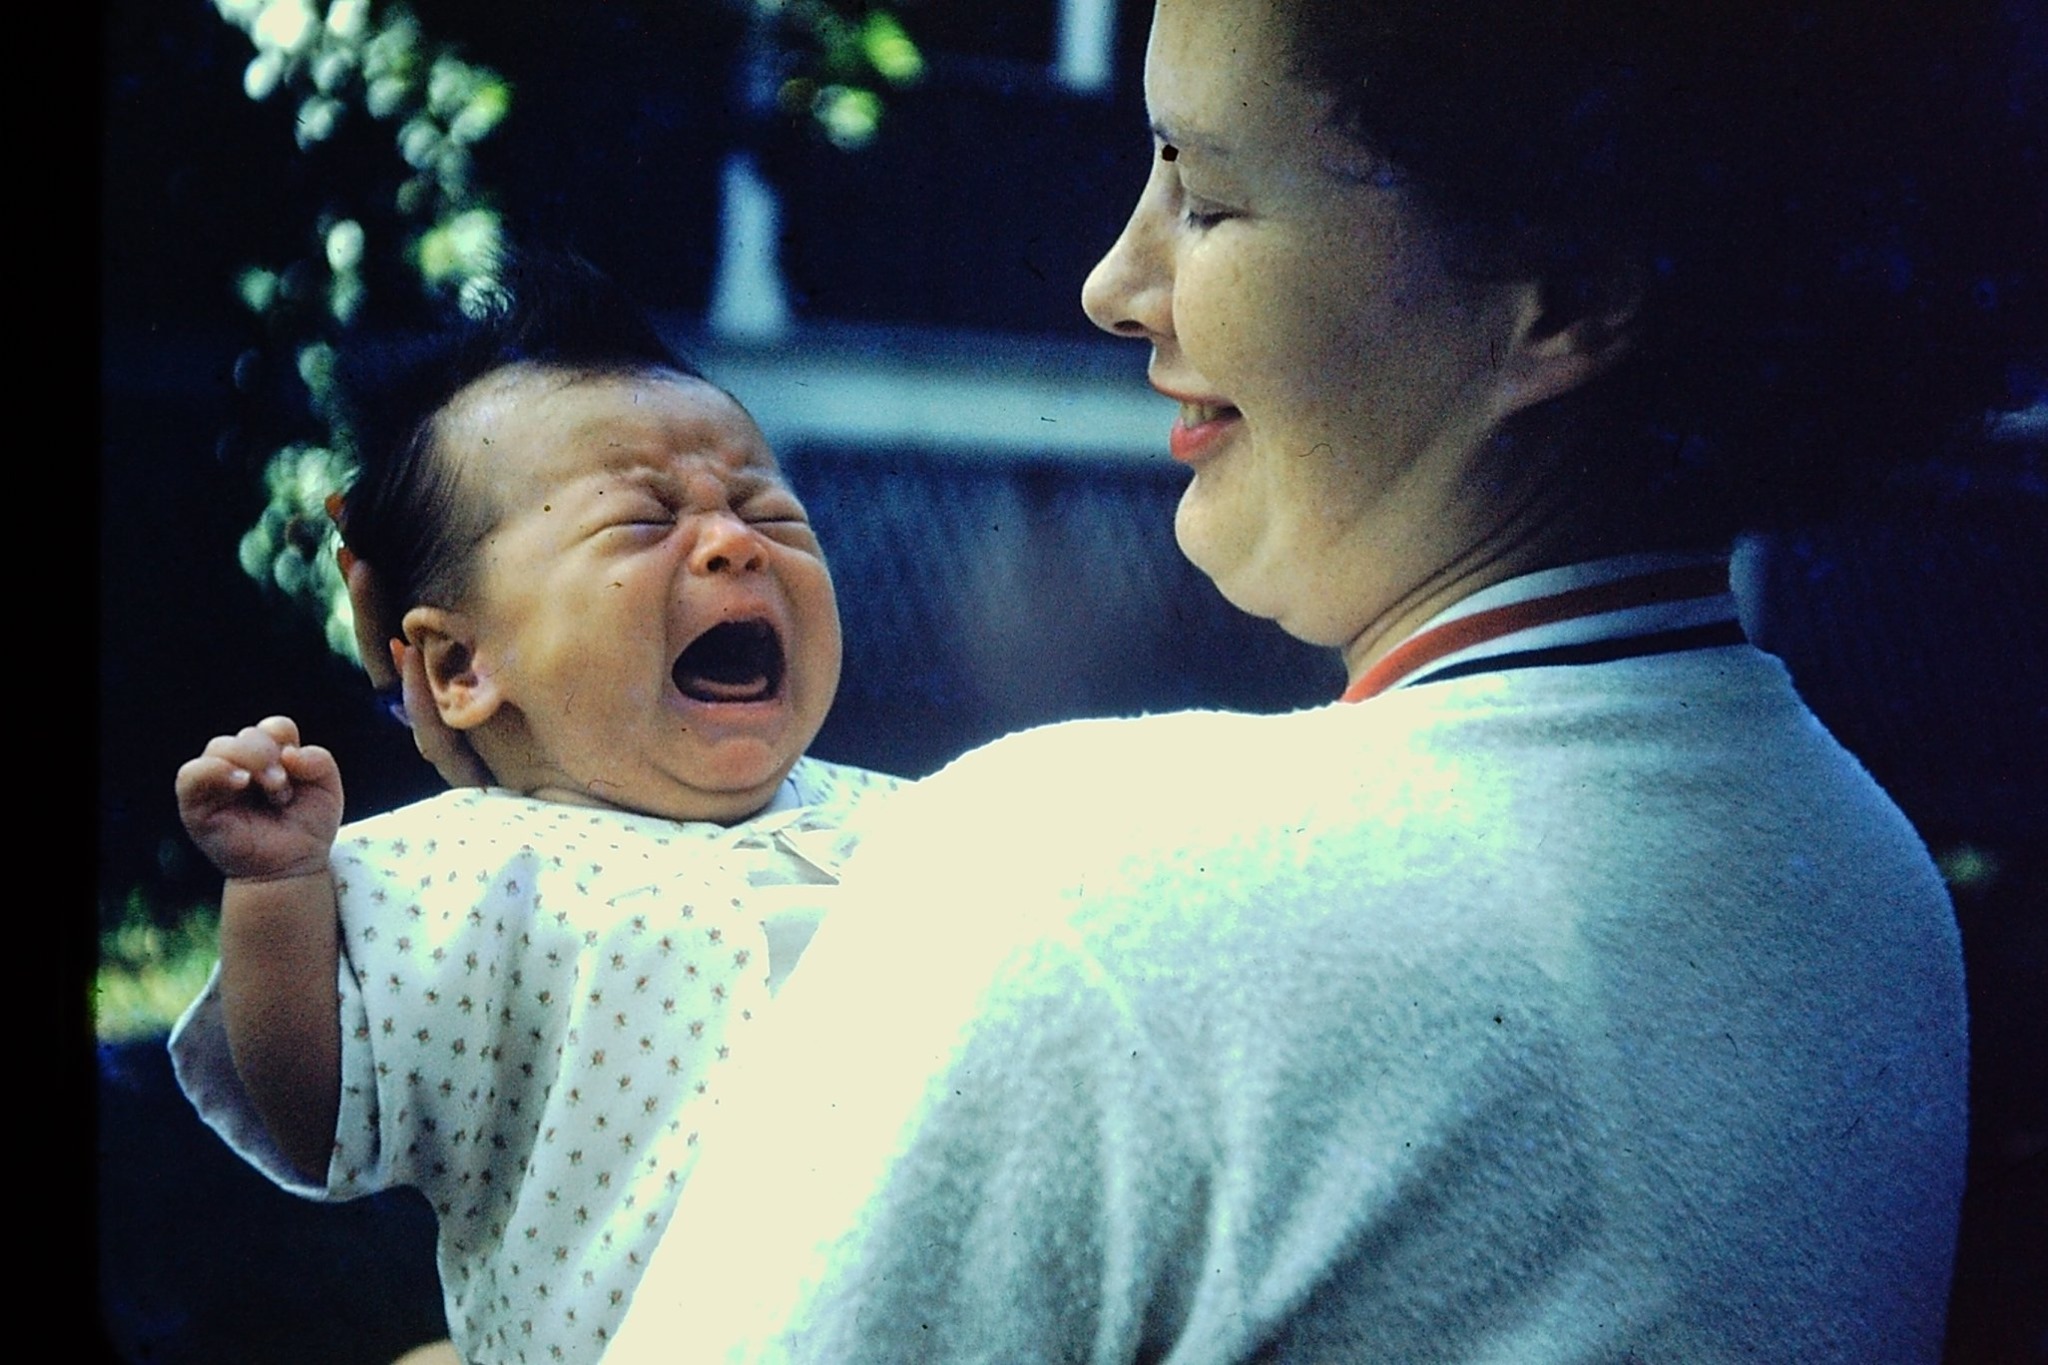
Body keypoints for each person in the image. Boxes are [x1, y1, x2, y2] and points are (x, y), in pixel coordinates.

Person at [590, 0, 2044, 1361]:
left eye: (1206, 194)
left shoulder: (1077, 882)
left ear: (1563, 300)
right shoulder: (1867, 882)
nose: (1115, 285)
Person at [168, 258, 899, 1365]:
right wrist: (276, 888)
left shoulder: (914, 822)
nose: (734, 540)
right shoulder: (464, 868)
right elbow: (315, 1109)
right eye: (641, 522)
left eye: (767, 509)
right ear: (460, 666)